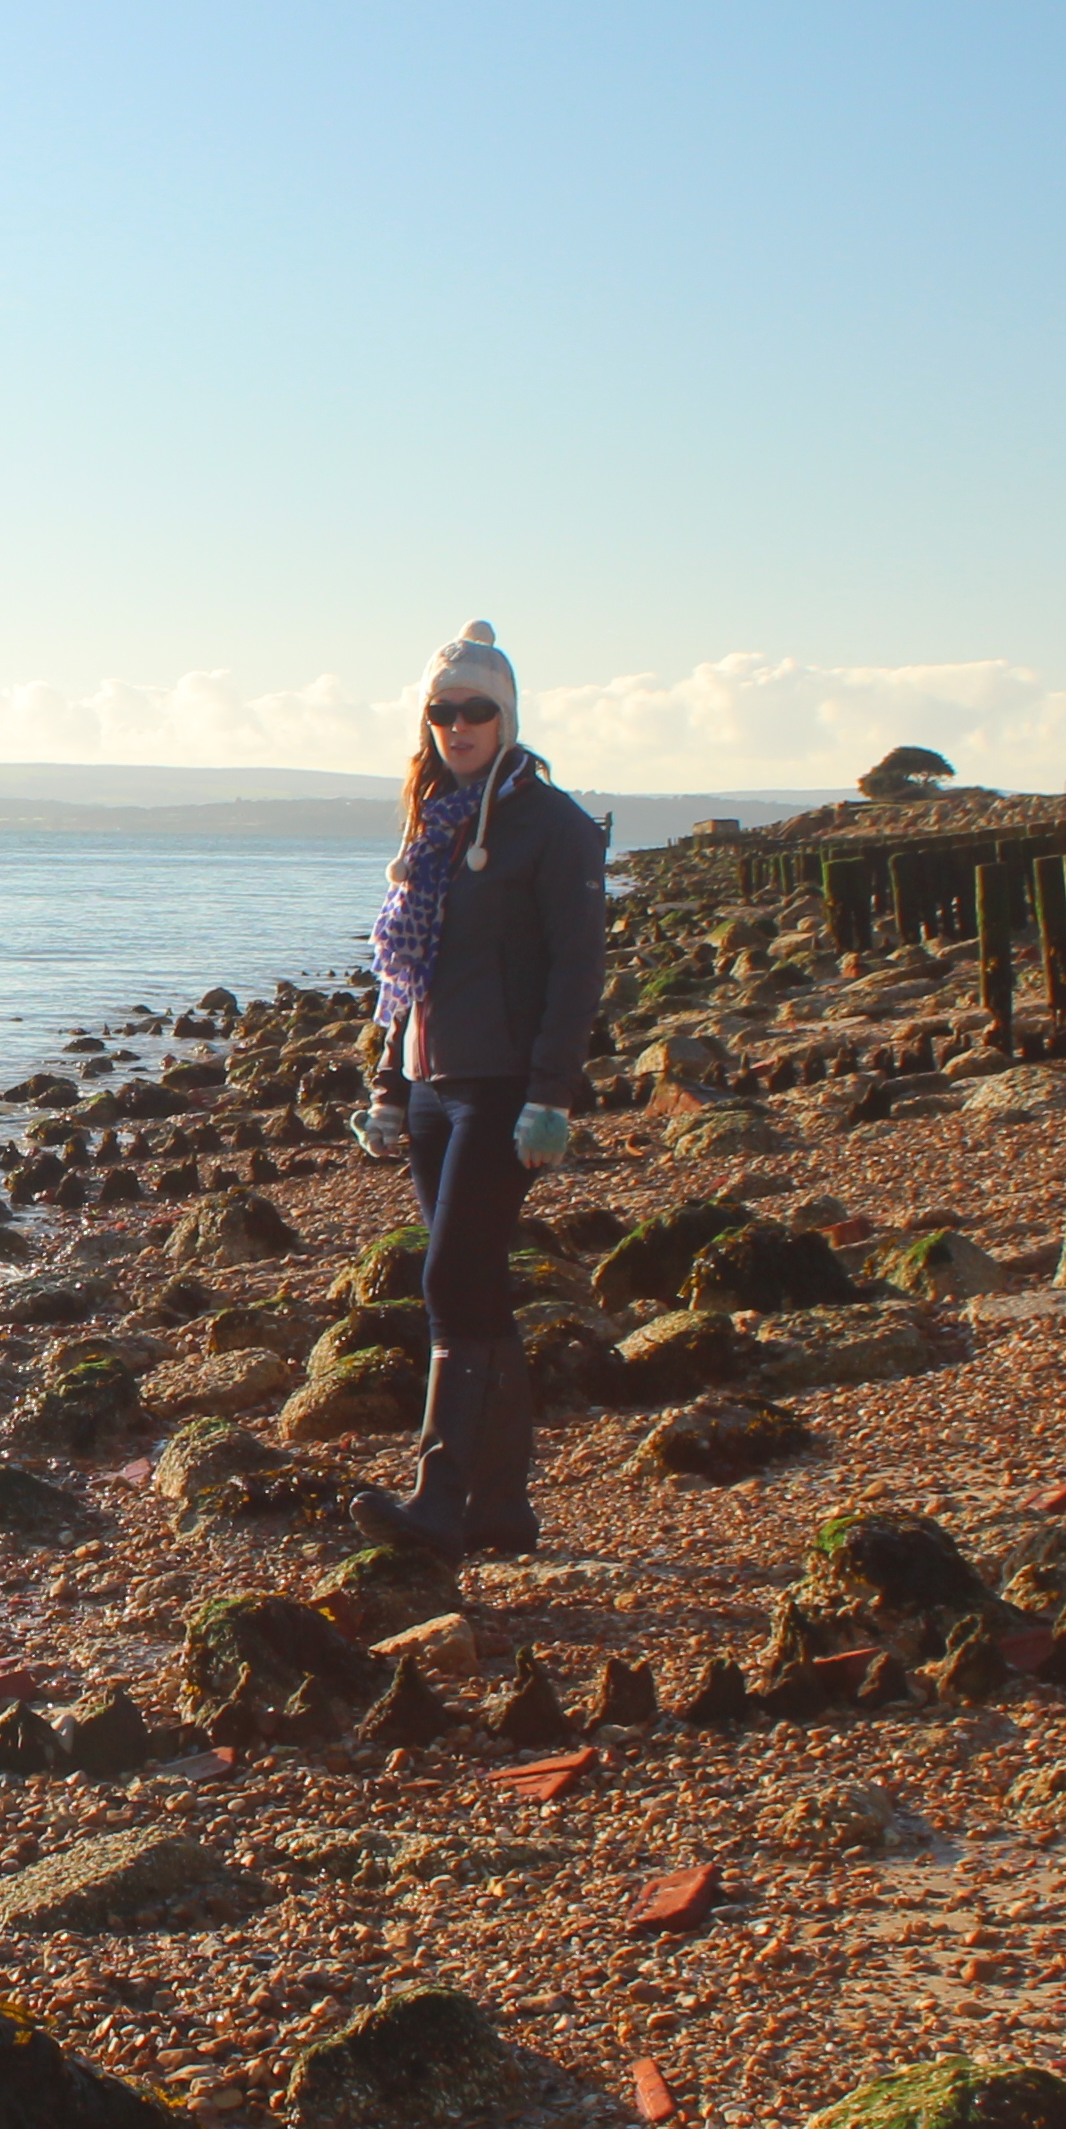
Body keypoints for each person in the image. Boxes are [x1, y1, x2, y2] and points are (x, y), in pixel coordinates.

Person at [348, 622, 610, 1557]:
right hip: (428, 1082)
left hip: (503, 1087)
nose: (458, 725)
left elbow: (578, 970)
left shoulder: (556, 826)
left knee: (452, 1276)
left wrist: (553, 1093)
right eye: (442, 711)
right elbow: (405, 974)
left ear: (507, 717)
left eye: (476, 710)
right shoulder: (432, 818)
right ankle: (503, 1509)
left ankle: (440, 1498)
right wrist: (386, 1080)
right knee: (473, 1290)